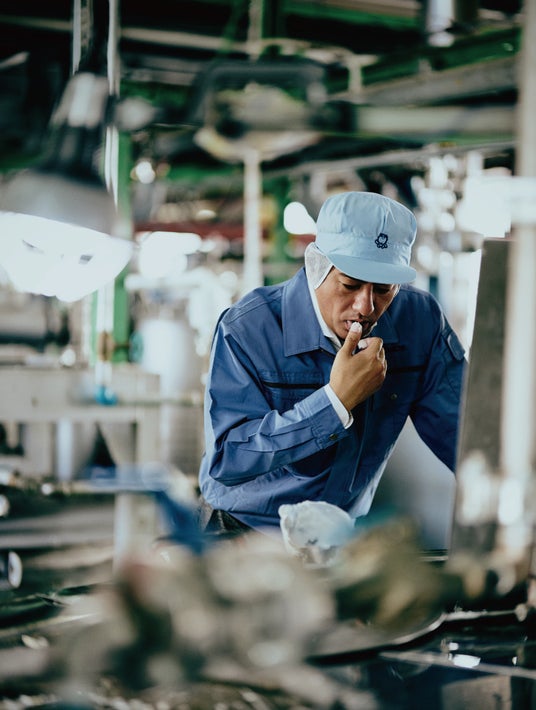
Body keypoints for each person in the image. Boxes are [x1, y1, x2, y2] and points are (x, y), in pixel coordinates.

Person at [198, 191, 467, 536]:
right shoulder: (249, 328)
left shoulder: (419, 322)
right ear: (316, 266)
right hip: (245, 532)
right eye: (350, 284)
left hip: (338, 538)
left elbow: (464, 433)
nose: (366, 307)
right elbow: (227, 458)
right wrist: (334, 404)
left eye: (384, 289)